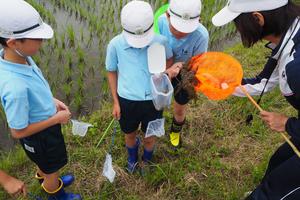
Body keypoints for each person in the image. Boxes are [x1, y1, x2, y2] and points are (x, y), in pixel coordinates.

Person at [212, 0, 300, 199]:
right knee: (279, 161)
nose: (238, 30)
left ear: (257, 18)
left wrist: (287, 124)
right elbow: (263, 82)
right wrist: (219, 83)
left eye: (238, 24)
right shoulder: (290, 36)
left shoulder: (297, 67)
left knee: (273, 192)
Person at [0, 1, 81, 199]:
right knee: (52, 168)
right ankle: (55, 193)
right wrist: (56, 119)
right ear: (13, 42)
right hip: (40, 135)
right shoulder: (15, 86)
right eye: (36, 38)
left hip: (42, 129)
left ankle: (44, 175)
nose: (41, 42)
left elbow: (35, 88)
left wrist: (51, 100)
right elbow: (17, 131)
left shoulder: (17, 56)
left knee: (45, 163)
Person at [106, 0, 181, 174]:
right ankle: (132, 158)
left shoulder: (161, 41)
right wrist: (116, 102)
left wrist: (164, 74)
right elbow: (111, 71)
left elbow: (169, 60)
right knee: (130, 133)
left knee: (150, 135)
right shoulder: (115, 44)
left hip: (154, 101)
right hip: (127, 100)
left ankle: (147, 159)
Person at [158, 0, 209, 148]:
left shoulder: (201, 35)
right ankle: (155, 121)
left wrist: (180, 66)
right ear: (168, 16)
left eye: (186, 29)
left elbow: (197, 64)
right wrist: (167, 69)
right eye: (176, 28)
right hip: (165, 68)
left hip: (186, 73)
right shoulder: (161, 22)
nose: (180, 33)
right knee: (157, 100)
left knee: (180, 107)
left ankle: (175, 131)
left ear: (198, 21)